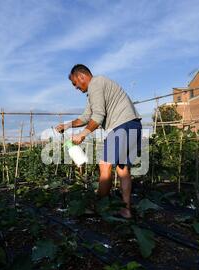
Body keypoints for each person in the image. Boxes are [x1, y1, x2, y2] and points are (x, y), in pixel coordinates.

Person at [55, 64, 142, 218]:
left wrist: (82, 135)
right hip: (133, 125)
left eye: (75, 84)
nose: (75, 88)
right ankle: (126, 210)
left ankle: (99, 205)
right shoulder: (95, 91)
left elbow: (98, 116)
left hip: (121, 126)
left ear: (81, 76)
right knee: (122, 170)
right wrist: (67, 125)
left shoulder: (96, 83)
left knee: (105, 165)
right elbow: (86, 117)